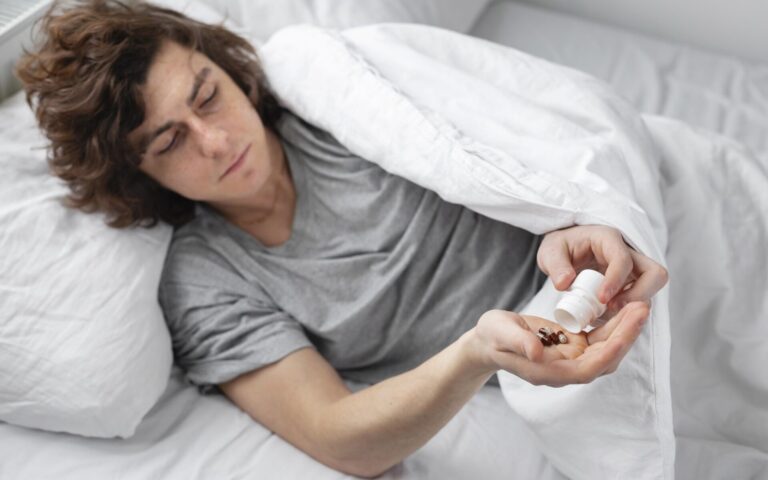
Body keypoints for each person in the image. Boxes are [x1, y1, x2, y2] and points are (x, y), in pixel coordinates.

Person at [17, 1, 668, 477]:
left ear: (225, 68)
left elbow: (521, 146)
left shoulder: (329, 98)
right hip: (551, 357)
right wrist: (477, 352)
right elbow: (340, 436)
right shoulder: (208, 278)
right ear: (139, 174)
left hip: (627, 249)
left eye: (207, 96)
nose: (217, 141)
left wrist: (573, 218)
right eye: (169, 140)